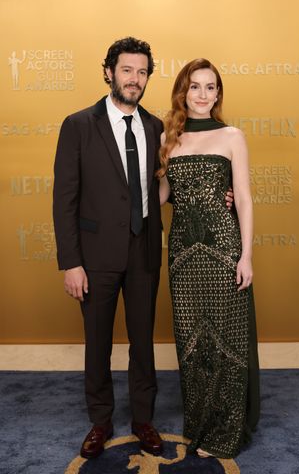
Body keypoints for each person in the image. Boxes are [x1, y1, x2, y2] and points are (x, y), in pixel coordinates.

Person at [53, 37, 164, 459]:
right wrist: (71, 263)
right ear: (109, 72)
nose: (134, 79)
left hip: (144, 251)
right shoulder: (78, 124)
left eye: (142, 72)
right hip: (94, 258)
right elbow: (64, 199)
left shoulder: (154, 126)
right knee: (97, 342)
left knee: (143, 342)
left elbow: (159, 186)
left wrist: (219, 195)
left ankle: (143, 419)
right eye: (126, 70)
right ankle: (100, 421)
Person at [158, 59, 260, 459]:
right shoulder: (171, 137)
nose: (202, 94)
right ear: (183, 92)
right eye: (194, 86)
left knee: (226, 341)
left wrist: (246, 255)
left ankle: (226, 430)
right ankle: (198, 423)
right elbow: (163, 195)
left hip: (223, 250)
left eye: (210, 87)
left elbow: (245, 198)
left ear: (218, 93)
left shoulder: (232, 135)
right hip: (183, 254)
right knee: (192, 343)